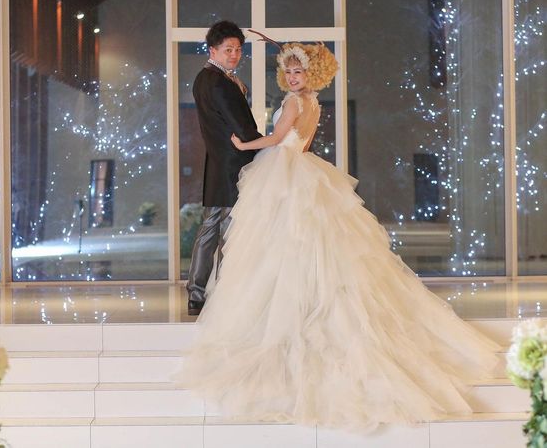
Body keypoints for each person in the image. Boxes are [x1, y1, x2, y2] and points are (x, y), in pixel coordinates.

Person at [177, 36, 501, 431]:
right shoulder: (312, 102)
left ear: (310, 74)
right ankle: (299, 298)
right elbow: (300, 142)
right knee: (301, 242)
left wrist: (245, 143)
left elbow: (277, 140)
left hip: (284, 172)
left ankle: (287, 306)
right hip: (302, 169)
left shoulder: (295, 102)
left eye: (299, 71)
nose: (293, 77)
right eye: (289, 71)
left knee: (284, 240)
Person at [186, 21, 261, 316]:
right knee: (231, 232)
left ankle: (196, 293)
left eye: (238, 49)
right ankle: (225, 295)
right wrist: (268, 146)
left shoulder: (203, 79)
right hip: (234, 166)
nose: (234, 54)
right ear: (213, 50)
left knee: (209, 229)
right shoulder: (220, 83)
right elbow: (242, 128)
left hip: (217, 163)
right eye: (228, 49)